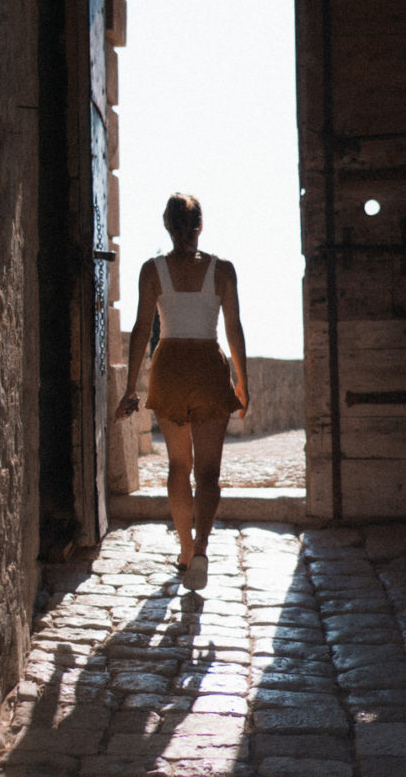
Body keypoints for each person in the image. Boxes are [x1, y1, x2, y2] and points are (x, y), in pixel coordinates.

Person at [115, 193, 249, 591]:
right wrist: (244, 380)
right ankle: (204, 546)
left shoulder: (151, 270)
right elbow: (233, 329)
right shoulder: (222, 270)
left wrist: (129, 388)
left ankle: (186, 550)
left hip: (169, 368)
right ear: (199, 226)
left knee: (179, 467)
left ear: (167, 226)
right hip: (208, 367)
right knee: (209, 472)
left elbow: (141, 330)